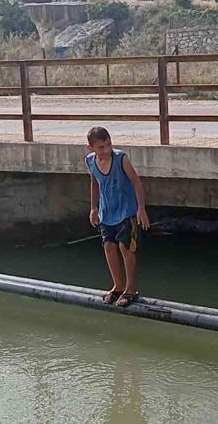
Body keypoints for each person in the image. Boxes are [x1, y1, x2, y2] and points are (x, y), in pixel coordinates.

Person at [86, 127, 150, 307]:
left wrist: (141, 208)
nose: (106, 150)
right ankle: (118, 285)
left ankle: (130, 288)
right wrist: (93, 208)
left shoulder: (120, 158)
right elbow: (94, 183)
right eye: (101, 147)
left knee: (125, 247)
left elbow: (136, 181)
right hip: (107, 211)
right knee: (109, 246)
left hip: (126, 211)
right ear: (91, 148)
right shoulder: (90, 161)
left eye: (108, 145)